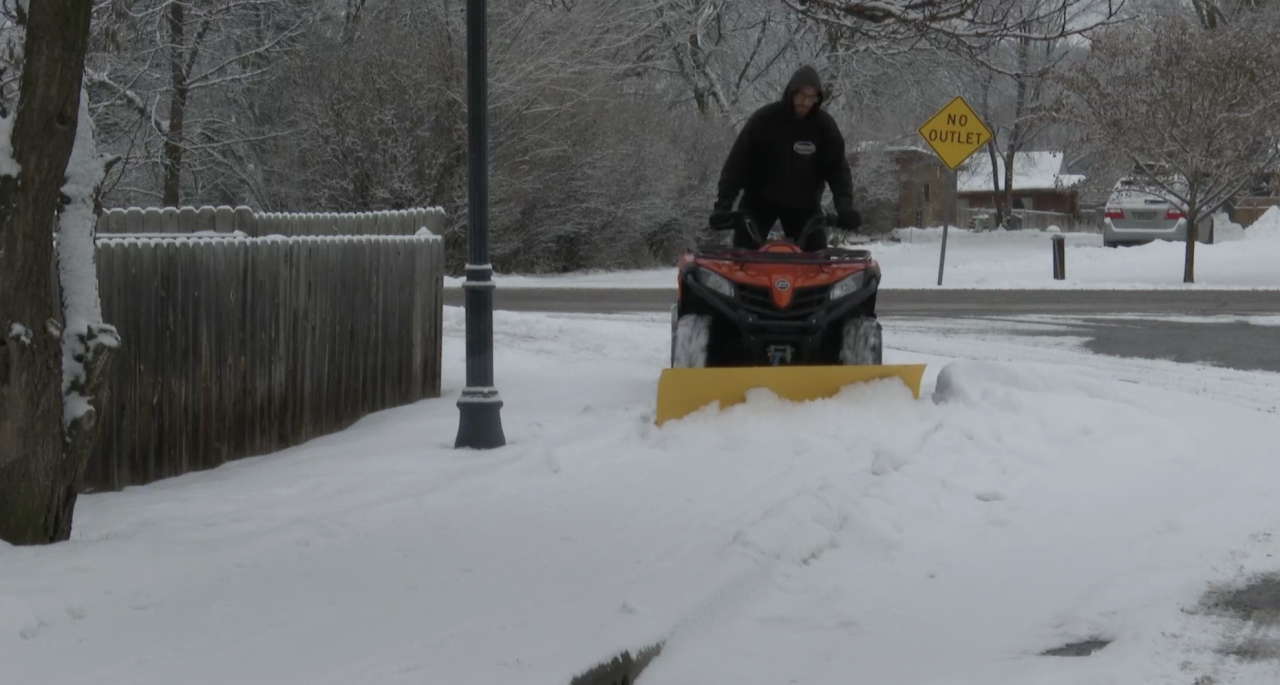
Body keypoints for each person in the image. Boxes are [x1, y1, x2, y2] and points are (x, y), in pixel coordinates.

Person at [709, 65, 861, 251]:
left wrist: (845, 207)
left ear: (818, 99)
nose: (805, 102)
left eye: (811, 98)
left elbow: (838, 170)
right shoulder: (764, 120)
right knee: (743, 258)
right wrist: (722, 206)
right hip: (759, 203)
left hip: (804, 206)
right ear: (791, 92)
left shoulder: (824, 127)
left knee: (817, 261)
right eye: (801, 96)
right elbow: (737, 165)